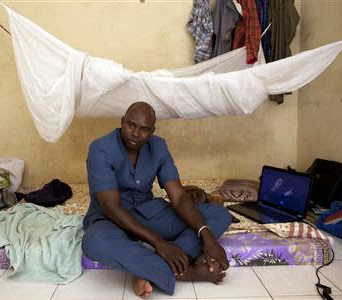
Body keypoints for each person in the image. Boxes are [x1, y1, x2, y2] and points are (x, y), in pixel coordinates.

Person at [82, 102, 232, 299]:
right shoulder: (100, 148)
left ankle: (149, 271)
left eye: (144, 129)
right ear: (122, 122)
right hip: (110, 220)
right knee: (94, 241)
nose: (136, 133)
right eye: (131, 125)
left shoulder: (159, 147)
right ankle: (187, 271)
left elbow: (178, 196)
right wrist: (160, 244)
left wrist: (207, 236)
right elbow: (111, 208)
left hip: (149, 214)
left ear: (152, 131)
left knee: (218, 213)